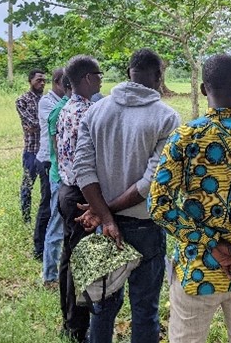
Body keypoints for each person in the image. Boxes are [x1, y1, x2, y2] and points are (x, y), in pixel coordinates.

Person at [149, 54, 231, 343]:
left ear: (202, 89)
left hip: (197, 270)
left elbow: (159, 206)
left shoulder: (184, 138)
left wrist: (212, 244)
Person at [74, 49, 180, 343]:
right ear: (159, 76)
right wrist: (106, 212)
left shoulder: (96, 111)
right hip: (145, 226)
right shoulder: (167, 117)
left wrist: (103, 215)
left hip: (104, 229)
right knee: (145, 309)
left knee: (103, 307)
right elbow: (150, 182)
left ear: (127, 73)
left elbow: (82, 168)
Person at [57, 55, 102, 343]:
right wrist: (95, 205)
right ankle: (77, 327)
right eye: (98, 74)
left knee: (69, 255)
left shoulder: (68, 107)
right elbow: (86, 164)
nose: (101, 79)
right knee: (81, 260)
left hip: (66, 188)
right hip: (80, 193)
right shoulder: (88, 112)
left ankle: (70, 319)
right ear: (87, 78)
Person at [37, 68, 66, 288]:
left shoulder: (64, 106)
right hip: (55, 170)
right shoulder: (54, 107)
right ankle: (49, 275)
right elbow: (58, 147)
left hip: (65, 174)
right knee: (53, 219)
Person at [15, 69, 48, 233]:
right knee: (27, 185)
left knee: (45, 186)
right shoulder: (22, 100)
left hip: (45, 151)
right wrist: (44, 125)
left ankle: (42, 217)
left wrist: (37, 127)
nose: (42, 83)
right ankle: (26, 216)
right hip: (31, 150)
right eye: (38, 80)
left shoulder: (47, 100)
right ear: (30, 81)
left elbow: (36, 125)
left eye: (44, 81)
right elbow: (31, 122)